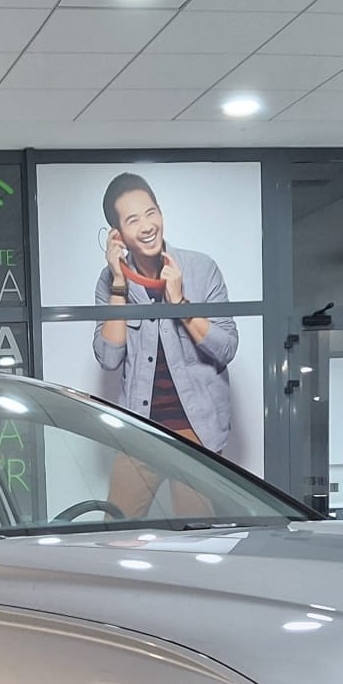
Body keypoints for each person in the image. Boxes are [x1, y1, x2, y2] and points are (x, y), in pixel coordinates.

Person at [92, 172, 238, 517]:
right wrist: (118, 283)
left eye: (151, 213)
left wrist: (180, 303)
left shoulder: (201, 269)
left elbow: (227, 348)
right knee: (116, 528)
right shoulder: (109, 281)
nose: (147, 226)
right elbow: (109, 357)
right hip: (140, 429)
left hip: (199, 429)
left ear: (160, 212)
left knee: (196, 534)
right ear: (117, 234)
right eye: (132, 220)